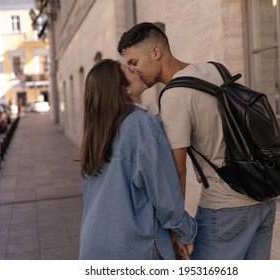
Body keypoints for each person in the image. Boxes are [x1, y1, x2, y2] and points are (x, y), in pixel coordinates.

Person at [117, 22, 280, 260]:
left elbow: (178, 168)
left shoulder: (174, 96)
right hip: (264, 204)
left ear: (156, 52)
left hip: (225, 211)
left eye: (134, 62)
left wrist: (177, 228)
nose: (135, 71)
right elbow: (251, 128)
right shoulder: (214, 69)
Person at [78, 59, 196, 260]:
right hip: (132, 248)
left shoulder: (95, 134)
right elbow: (164, 192)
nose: (136, 70)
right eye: (129, 70)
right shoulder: (142, 124)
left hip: (93, 245)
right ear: (124, 88)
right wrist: (184, 232)